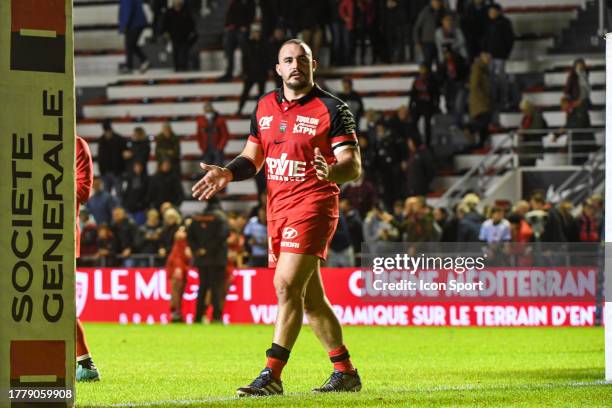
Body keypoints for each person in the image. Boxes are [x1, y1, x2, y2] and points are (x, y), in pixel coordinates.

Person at [192, 39, 362, 396]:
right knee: (311, 300)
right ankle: (345, 371)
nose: (295, 65)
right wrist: (226, 172)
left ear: (313, 64)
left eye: (302, 59)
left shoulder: (333, 108)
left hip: (313, 205)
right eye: (288, 60)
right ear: (279, 68)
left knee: (285, 286)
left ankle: (272, 374)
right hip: (278, 210)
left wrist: (332, 172)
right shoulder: (265, 105)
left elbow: (352, 165)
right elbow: (253, 158)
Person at [75, 136, 100, 382]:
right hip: (21, 235)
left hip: (57, 236)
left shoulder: (75, 145)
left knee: (56, 301)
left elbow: (82, 190)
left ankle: (85, 363)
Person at [187, 197, 229, 323]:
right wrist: (208, 249)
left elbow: (190, 237)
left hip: (201, 259)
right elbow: (222, 236)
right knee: (216, 288)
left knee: (203, 288)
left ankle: (198, 316)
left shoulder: (196, 219)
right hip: (217, 258)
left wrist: (198, 250)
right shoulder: (221, 218)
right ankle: (216, 317)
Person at [481, 3, 514, 109]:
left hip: (500, 55)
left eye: (493, 11)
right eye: (489, 12)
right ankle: (493, 99)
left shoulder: (505, 23)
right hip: (489, 56)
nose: (491, 13)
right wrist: (484, 52)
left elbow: (510, 39)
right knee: (491, 78)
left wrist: (505, 52)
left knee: (501, 77)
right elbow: (484, 40)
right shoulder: (487, 23)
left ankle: (504, 99)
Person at [220, 0, 255, 81]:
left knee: (245, 52)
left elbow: (251, 13)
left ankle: (245, 72)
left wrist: (246, 25)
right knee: (229, 52)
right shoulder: (233, 1)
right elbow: (230, 13)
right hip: (231, 29)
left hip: (242, 29)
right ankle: (229, 73)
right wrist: (227, 25)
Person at [237, 25, 269, 115]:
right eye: (255, 32)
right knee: (245, 92)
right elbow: (245, 59)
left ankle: (259, 112)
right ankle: (239, 109)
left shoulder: (264, 44)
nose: (256, 34)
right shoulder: (248, 44)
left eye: (258, 32)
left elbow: (267, 58)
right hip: (250, 73)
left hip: (261, 73)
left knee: (261, 94)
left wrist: (267, 70)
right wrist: (245, 71)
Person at [162, 0, 197, 71]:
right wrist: (165, 32)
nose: (177, 3)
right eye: (176, 1)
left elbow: (191, 22)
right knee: (176, 52)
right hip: (174, 35)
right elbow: (165, 24)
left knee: (184, 52)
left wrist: (191, 31)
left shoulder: (186, 11)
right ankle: (177, 67)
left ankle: (184, 67)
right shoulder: (169, 12)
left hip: (184, 35)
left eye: (179, 1)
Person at [167, 225, 193, 322]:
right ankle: (176, 313)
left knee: (179, 290)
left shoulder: (186, 242)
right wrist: (178, 268)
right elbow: (177, 255)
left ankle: (177, 312)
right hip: (177, 267)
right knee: (176, 290)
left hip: (182, 267)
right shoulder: (180, 241)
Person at [409, 64, 439, 147]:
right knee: (413, 123)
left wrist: (436, 105)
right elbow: (412, 94)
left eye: (423, 69)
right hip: (418, 104)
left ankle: (427, 143)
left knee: (427, 125)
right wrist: (410, 105)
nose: (422, 71)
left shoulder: (431, 80)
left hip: (428, 105)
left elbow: (436, 94)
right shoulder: (417, 80)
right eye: (421, 69)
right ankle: (418, 142)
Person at [97, 120, 128, 197]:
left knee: (119, 194)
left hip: (117, 172)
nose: (107, 133)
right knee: (106, 195)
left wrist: (122, 170)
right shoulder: (101, 140)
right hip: (105, 172)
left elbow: (125, 155)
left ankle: (120, 208)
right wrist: (102, 171)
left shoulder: (120, 139)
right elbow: (100, 156)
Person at [468, 52, 492, 147]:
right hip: (480, 102)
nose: (490, 58)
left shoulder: (483, 68)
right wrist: (482, 97)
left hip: (484, 101)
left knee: (484, 125)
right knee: (482, 121)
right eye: (488, 56)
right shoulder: (478, 68)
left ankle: (481, 143)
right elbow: (474, 85)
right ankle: (469, 129)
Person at [119, 0, 150, 73]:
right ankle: (144, 60)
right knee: (132, 44)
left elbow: (127, 10)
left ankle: (129, 66)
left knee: (129, 44)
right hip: (138, 22)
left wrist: (124, 26)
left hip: (134, 23)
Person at [413, 0, 445, 70]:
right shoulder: (425, 12)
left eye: (438, 1)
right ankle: (427, 80)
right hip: (428, 42)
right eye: (435, 1)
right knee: (427, 64)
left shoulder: (443, 11)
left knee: (441, 63)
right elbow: (417, 27)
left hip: (440, 42)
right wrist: (417, 42)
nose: (437, 3)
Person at [517, 99, 547, 166]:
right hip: (525, 149)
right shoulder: (526, 116)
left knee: (529, 168)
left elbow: (536, 129)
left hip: (532, 147)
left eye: (524, 110)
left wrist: (524, 132)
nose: (523, 112)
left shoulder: (537, 116)